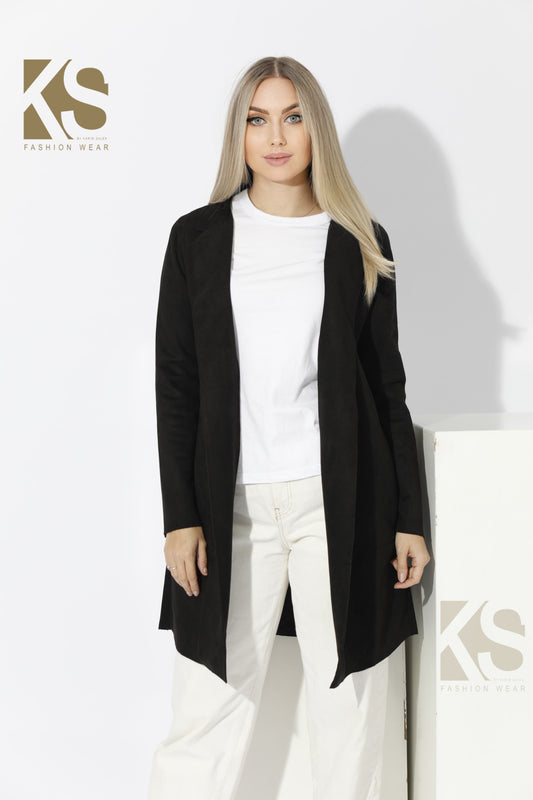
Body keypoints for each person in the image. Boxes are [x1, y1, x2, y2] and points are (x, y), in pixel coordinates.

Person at [148, 55, 431, 800]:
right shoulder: (197, 239)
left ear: (316, 131)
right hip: (231, 508)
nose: (275, 137)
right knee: (207, 712)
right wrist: (180, 516)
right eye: (257, 119)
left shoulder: (357, 238)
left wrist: (408, 516)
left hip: (336, 503)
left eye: (293, 117)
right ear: (238, 134)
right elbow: (176, 385)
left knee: (350, 715)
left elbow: (386, 387)